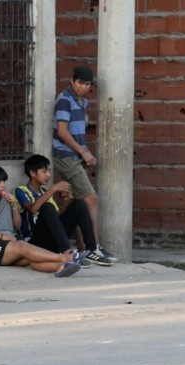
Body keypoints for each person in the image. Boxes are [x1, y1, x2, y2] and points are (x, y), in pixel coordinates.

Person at [0, 166, 81, 277]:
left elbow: (16, 226)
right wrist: (3, 236)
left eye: (4, 181)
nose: (3, 185)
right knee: (22, 246)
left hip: (7, 242)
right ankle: (65, 258)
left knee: (30, 258)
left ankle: (61, 267)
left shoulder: (4, 199)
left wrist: (13, 206)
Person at [52, 65, 117, 263]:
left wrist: (84, 154)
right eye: (80, 82)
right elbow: (62, 132)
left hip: (76, 157)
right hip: (66, 156)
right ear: (72, 80)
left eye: (87, 84)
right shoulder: (64, 100)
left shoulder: (82, 102)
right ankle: (93, 248)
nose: (83, 87)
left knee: (78, 202)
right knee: (91, 200)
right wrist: (83, 151)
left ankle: (83, 249)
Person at [14, 154, 112, 266]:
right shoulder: (20, 191)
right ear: (32, 173)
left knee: (78, 204)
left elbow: (56, 218)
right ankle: (68, 253)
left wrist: (66, 204)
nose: (48, 175)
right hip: (35, 243)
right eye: (44, 172)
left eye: (49, 171)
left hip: (53, 241)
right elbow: (33, 209)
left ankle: (91, 249)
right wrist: (54, 188)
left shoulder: (45, 192)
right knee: (46, 207)